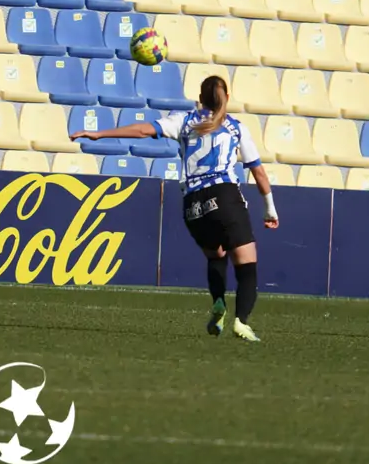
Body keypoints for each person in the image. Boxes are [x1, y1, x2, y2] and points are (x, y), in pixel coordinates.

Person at [70, 75, 279, 341]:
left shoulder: (183, 121)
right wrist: (270, 209)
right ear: (226, 97)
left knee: (216, 255)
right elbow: (259, 173)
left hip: (192, 203)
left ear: (200, 98)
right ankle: (241, 321)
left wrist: (99, 134)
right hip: (224, 195)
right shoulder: (236, 128)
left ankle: (218, 302)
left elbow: (142, 130)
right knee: (246, 264)